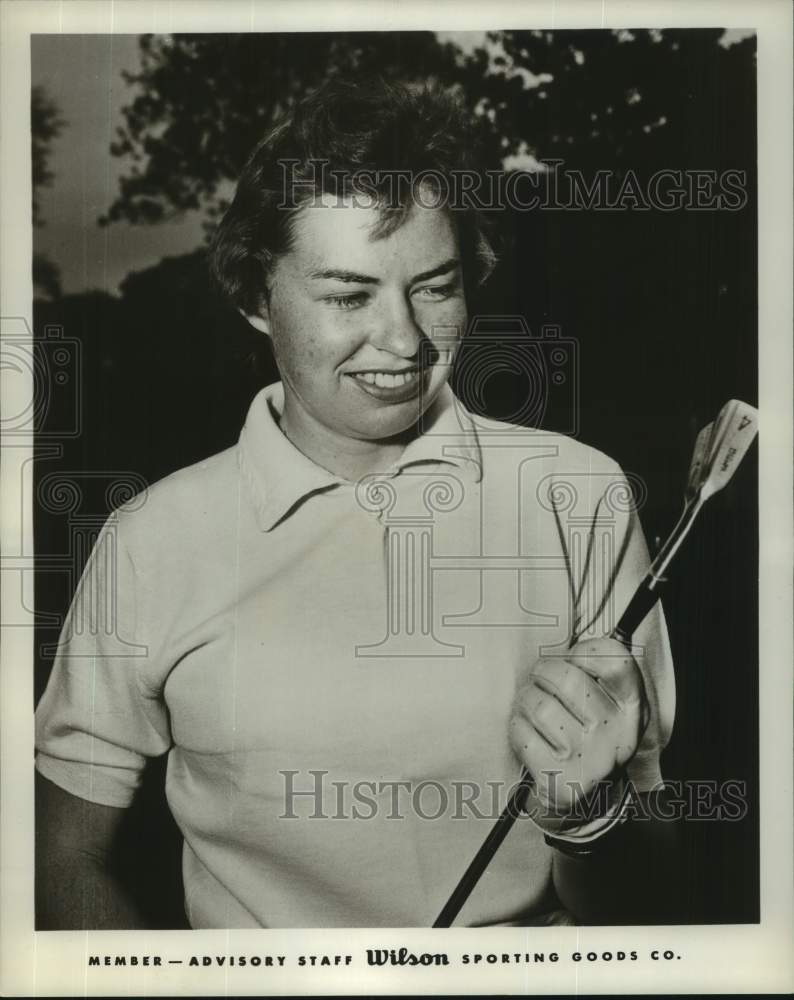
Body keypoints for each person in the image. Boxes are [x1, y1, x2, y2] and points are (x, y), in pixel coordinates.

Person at [35, 79, 678, 929]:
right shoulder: (151, 539)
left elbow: (659, 894)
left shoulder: (580, 498)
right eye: (347, 295)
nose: (406, 342)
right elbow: (61, 860)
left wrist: (587, 818)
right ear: (252, 298)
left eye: (436, 287)